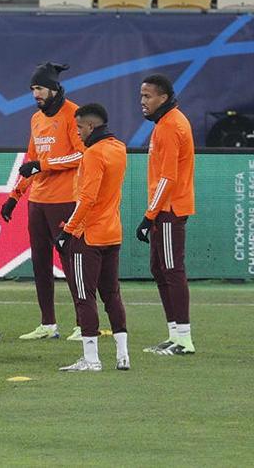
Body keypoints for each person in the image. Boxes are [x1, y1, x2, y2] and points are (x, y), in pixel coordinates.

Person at [2, 62, 86, 341]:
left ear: (53, 88)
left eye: (39, 88)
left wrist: (44, 165)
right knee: (40, 263)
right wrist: (14, 196)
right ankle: (48, 323)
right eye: (32, 89)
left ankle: (82, 323)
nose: (35, 94)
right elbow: (30, 162)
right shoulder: (36, 119)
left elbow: (81, 155)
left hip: (64, 201)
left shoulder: (74, 114)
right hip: (37, 201)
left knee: (72, 261)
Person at [55, 104, 130, 372]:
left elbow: (87, 199)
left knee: (84, 295)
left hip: (89, 236)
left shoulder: (93, 155)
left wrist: (67, 231)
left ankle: (91, 358)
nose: (77, 133)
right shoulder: (119, 148)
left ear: (89, 126)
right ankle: (123, 355)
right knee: (112, 295)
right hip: (112, 232)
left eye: (78, 128)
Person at [137, 74, 196, 356]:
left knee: (172, 270)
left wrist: (150, 215)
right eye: (141, 96)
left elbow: (168, 178)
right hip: (163, 209)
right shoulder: (164, 124)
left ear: (163, 97)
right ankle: (174, 334)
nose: (143, 102)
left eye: (147, 96)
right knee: (160, 269)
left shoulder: (171, 125)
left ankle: (184, 339)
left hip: (170, 210)